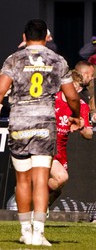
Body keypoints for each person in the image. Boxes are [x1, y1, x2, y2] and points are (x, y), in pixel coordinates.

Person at [0, 19, 82, 246]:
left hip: (19, 122)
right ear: (46, 38)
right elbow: (72, 96)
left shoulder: (14, 59)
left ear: (24, 37)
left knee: (22, 180)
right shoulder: (58, 60)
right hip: (44, 122)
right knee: (41, 180)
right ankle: (39, 232)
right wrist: (76, 114)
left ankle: (25, 231)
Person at [48, 70, 93, 206]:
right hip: (46, 146)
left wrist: (82, 126)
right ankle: (37, 203)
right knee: (61, 177)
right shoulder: (52, 99)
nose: (78, 90)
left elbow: (89, 134)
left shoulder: (82, 106)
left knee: (58, 187)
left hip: (61, 151)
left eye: (80, 87)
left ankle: (39, 207)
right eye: (75, 86)